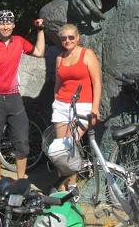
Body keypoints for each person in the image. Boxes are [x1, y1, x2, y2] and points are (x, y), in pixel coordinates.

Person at [0, 10, 45, 181]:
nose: (5, 26)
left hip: (15, 98)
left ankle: (21, 180)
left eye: (8, 23)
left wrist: (41, 30)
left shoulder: (20, 42)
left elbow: (39, 52)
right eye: (2, 23)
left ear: (13, 25)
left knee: (22, 142)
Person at [52, 23, 101, 189]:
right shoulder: (60, 58)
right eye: (64, 38)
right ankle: (61, 189)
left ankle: (72, 187)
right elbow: (58, 84)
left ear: (78, 38)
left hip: (82, 106)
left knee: (69, 145)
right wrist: (55, 102)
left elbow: (97, 83)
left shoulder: (87, 55)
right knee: (59, 150)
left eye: (71, 37)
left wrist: (95, 109)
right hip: (61, 105)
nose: (67, 40)